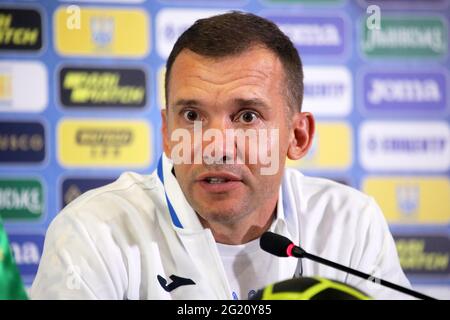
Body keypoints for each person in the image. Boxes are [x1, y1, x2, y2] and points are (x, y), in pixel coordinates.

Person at [30, 11, 411, 300]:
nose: (215, 145)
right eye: (192, 116)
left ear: (297, 135)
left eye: (247, 116)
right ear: (166, 132)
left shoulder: (349, 224)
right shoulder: (92, 233)